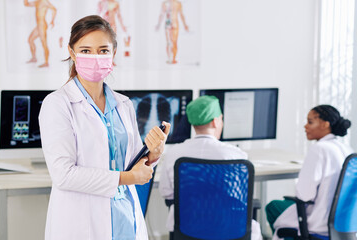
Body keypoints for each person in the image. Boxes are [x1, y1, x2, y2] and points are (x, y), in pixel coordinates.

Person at [39, 15, 171, 240]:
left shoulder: (123, 104)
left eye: (102, 50)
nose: (95, 57)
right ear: (72, 53)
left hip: (125, 219)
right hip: (82, 225)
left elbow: (132, 163)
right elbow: (64, 175)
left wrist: (153, 154)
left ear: (113, 53)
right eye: (86, 50)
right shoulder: (58, 104)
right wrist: (127, 178)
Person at [158, 95, 262, 240]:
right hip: (228, 228)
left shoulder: (173, 153)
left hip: (187, 229)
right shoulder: (237, 155)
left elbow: (167, 194)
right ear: (215, 121)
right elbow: (241, 199)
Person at [266, 105, 353, 239]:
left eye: (310, 122)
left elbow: (304, 195)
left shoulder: (319, 149)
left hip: (320, 223)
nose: (305, 126)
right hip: (344, 225)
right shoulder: (348, 150)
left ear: (325, 124)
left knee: (273, 206)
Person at [24, 0, 57, 68]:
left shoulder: (44, 1)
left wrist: (52, 20)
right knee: (30, 40)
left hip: (42, 25)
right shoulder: (37, 2)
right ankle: (34, 58)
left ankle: (46, 62)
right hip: (38, 26)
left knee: (44, 43)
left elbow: (54, 9)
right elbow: (26, 4)